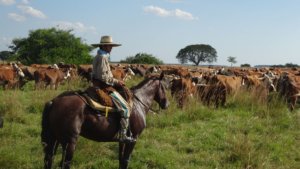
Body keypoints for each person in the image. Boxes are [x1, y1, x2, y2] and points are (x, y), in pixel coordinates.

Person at [91, 35, 134, 143]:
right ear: (104, 46)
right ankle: (123, 135)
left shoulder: (100, 56)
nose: (112, 48)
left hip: (102, 84)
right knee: (125, 108)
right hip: (103, 86)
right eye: (110, 46)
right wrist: (116, 81)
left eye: (112, 46)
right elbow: (103, 77)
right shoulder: (102, 57)